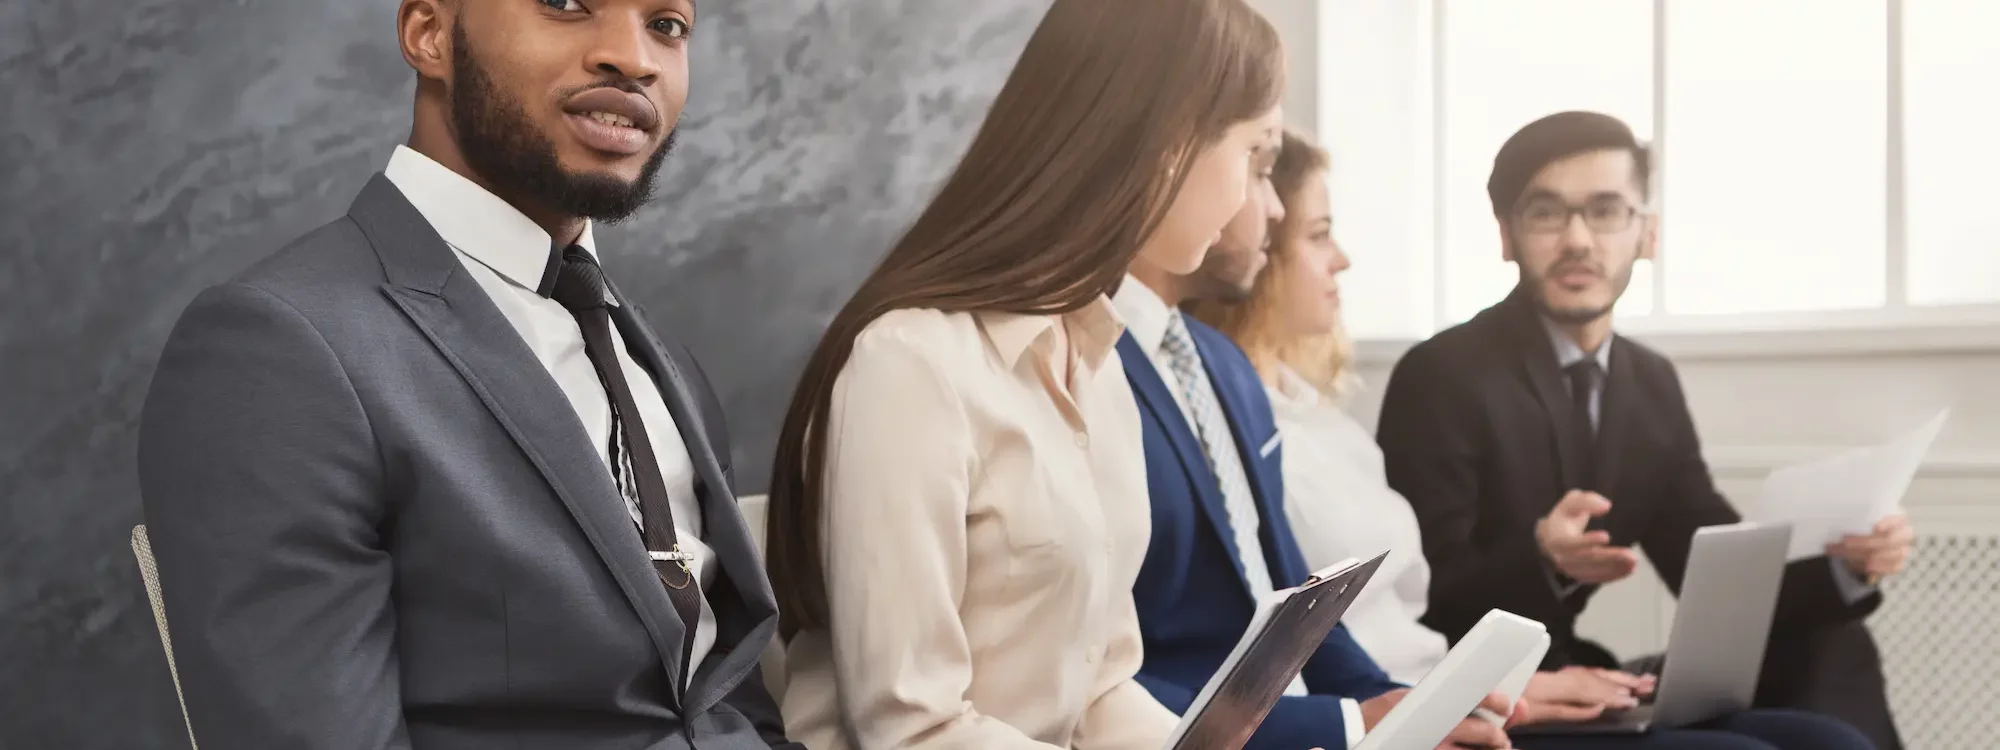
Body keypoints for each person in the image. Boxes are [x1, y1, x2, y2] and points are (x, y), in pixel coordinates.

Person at [136, 2, 800, 748]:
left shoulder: (662, 359)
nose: (633, 57)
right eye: (565, 3)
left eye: (666, 25)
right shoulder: (277, 346)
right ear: (430, 34)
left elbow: (724, 696)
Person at [1195, 128, 1889, 750]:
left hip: (1548, 672)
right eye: (1547, 214)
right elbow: (1428, 595)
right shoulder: (1444, 374)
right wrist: (1543, 561)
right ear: (1506, 235)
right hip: (1476, 673)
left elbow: (1709, 564)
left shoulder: (1649, 382)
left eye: (1606, 210)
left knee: (1832, 674)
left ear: (1647, 233)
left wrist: (1848, 561)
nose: (1579, 239)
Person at [760, 0, 1300, 747]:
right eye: (1256, 156)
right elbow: (910, 727)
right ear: (1170, 141)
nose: (1256, 202)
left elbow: (1100, 689)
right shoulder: (911, 364)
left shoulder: (1097, 363)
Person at [1125, 129, 1515, 750]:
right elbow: (1102, 677)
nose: (1272, 208)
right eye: (1257, 168)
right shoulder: (1094, 367)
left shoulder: (1221, 367)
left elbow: (1294, 601)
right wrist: (1349, 723)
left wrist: (1404, 711)